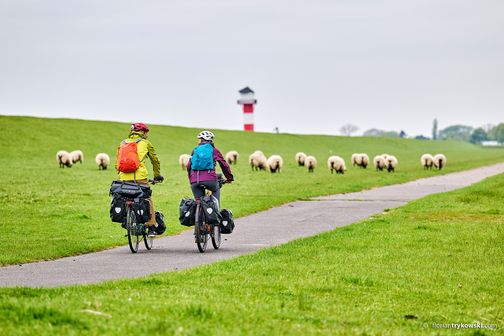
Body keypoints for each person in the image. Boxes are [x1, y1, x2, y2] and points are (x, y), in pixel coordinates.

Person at [116, 122, 164, 236]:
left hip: (123, 178)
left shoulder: (122, 143)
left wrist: (121, 174)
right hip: (140, 177)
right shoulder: (145, 143)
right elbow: (155, 160)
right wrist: (157, 175)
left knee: (125, 197)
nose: (147, 134)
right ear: (142, 132)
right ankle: (151, 226)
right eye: (146, 132)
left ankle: (127, 222)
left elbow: (117, 162)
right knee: (147, 199)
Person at [187, 131, 234, 205]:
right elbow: (224, 165)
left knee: (198, 202)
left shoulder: (195, 150)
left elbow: (188, 166)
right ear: (210, 140)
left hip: (195, 181)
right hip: (210, 180)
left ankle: (198, 212)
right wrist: (229, 178)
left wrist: (191, 180)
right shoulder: (214, 150)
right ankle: (216, 209)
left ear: (201, 140)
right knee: (216, 189)